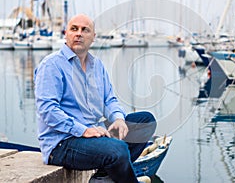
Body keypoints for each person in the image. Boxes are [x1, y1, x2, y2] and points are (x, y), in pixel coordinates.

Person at [34, 14, 156, 183]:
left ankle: (103, 176)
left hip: (94, 133)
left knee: (146, 121)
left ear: (93, 37)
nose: (79, 34)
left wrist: (119, 119)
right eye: (74, 29)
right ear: (66, 34)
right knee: (117, 150)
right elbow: (48, 110)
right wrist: (84, 130)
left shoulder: (97, 66)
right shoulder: (51, 65)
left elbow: (109, 100)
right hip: (63, 143)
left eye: (85, 30)